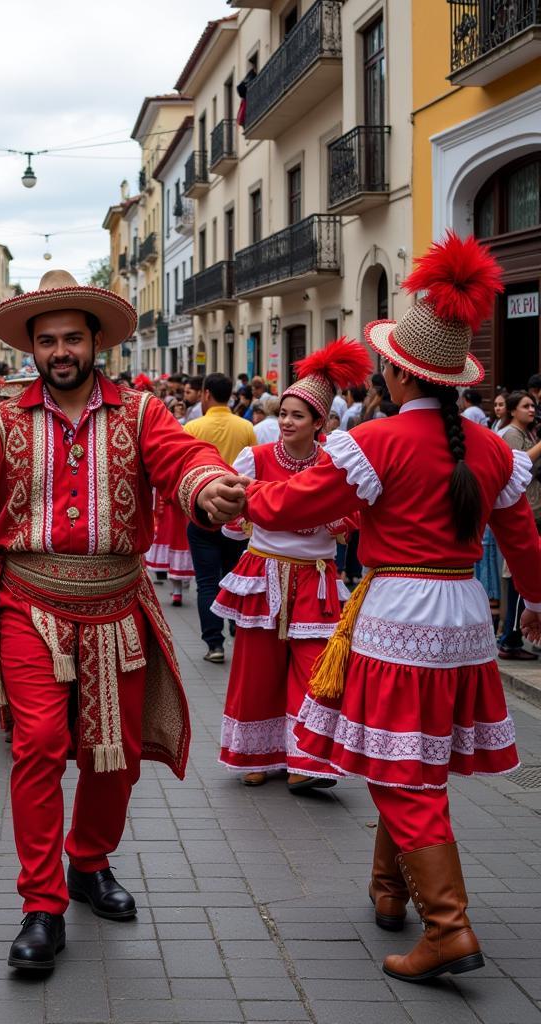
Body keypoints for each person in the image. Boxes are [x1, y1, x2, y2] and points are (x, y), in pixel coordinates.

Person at [0, 269, 245, 972]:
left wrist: (206, 483)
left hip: (118, 605)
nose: (60, 351)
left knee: (113, 754)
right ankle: (42, 904)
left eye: (71, 337)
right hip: (27, 604)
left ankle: (89, 862)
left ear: (97, 342)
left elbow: (183, 458)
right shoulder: (3, 421)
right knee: (37, 742)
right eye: (47, 340)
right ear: (31, 349)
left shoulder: (143, 414)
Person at [242, 233, 541, 983]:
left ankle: (449, 927)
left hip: (399, 614)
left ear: (395, 371)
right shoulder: (494, 451)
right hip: (465, 617)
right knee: (409, 754)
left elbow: (301, 500)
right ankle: (388, 891)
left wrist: (233, 494)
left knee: (402, 773)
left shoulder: (373, 441)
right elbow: (525, 543)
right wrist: (534, 603)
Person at [214, 340, 369, 791]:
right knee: (256, 667)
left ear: (319, 423)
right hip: (264, 573)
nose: (284, 422)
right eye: (282, 414)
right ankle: (254, 754)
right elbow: (232, 520)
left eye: (296, 416)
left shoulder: (333, 464)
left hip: (317, 576)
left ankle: (305, 761)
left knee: (314, 667)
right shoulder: (256, 459)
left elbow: (351, 517)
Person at [184, 372, 257, 663]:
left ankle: (214, 643)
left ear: (205, 395)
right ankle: (236, 627)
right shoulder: (246, 427)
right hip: (237, 517)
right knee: (234, 576)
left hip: (203, 514)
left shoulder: (192, 426)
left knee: (206, 582)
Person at [496, 390, 541, 661]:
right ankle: (510, 637)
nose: (532, 410)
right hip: (521, 510)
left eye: (533, 405)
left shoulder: (527, 433)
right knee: (514, 574)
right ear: (512, 411)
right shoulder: (512, 435)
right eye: (526, 406)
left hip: (531, 509)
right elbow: (516, 470)